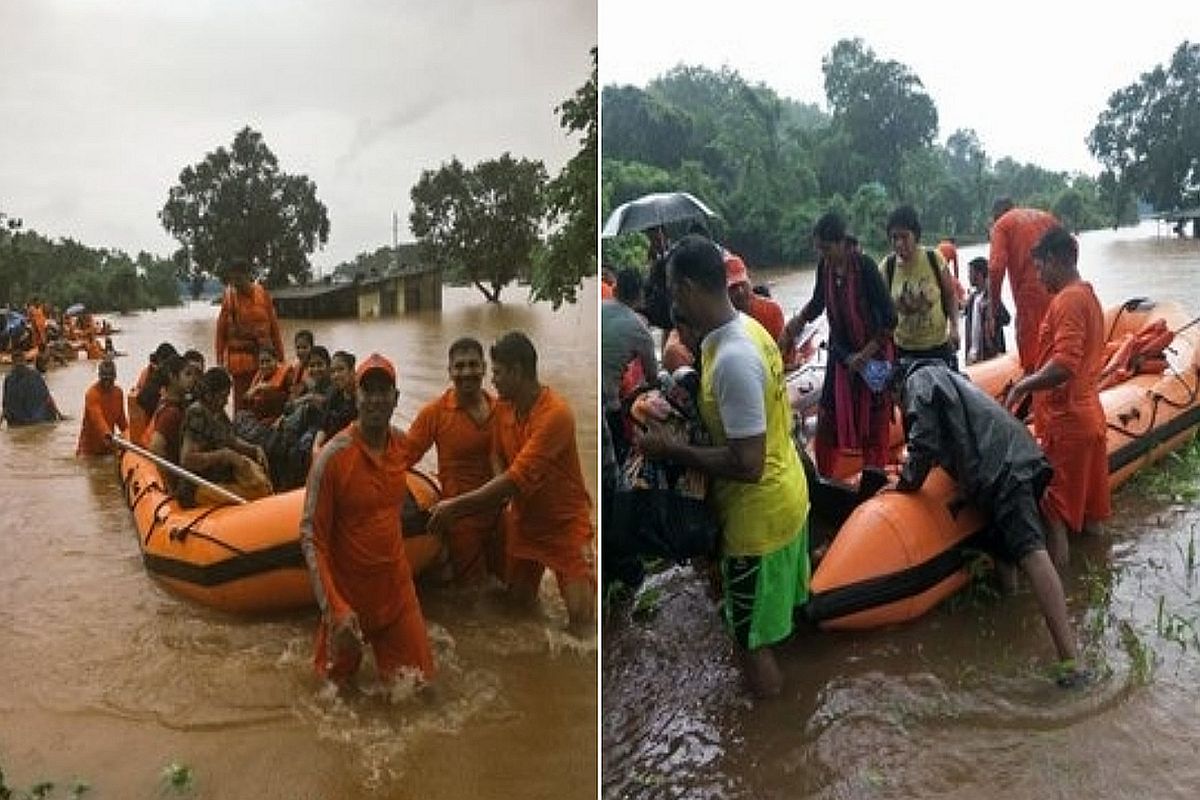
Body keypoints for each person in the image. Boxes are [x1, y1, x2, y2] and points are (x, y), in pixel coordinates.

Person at [638, 235, 810, 698]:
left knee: (749, 642)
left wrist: (671, 450)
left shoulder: (732, 358)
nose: (672, 302)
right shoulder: (747, 331)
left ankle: (776, 747)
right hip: (786, 494)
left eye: (674, 291)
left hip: (758, 520)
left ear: (691, 288)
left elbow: (746, 463)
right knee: (773, 629)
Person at [891, 359, 1087, 687]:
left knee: (1031, 552)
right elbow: (954, 436)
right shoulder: (946, 375)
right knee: (1002, 549)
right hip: (1008, 459)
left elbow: (922, 443)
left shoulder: (918, 382)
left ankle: (1072, 662)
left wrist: (905, 483)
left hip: (1004, 468)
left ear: (896, 389)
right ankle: (1016, 619)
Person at [426, 331, 596, 636]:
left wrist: (457, 507)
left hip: (565, 524)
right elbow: (496, 455)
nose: (493, 381)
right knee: (517, 607)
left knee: (582, 624)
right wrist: (498, 485)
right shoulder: (503, 407)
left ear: (517, 372)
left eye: (498, 373)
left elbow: (515, 479)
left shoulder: (556, 415)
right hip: (525, 520)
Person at [300, 353, 436, 689]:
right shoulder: (332, 458)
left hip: (397, 594)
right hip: (348, 597)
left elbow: (438, 429)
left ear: (396, 398)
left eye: (384, 390)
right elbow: (311, 537)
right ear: (354, 396)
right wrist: (334, 608)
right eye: (368, 390)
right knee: (330, 697)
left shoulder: (402, 447)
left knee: (422, 692)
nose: (376, 399)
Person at [1005, 226, 1110, 570]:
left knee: (1053, 516)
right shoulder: (1089, 297)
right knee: (1093, 518)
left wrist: (1023, 387)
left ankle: (1063, 597)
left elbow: (1064, 364)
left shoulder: (1066, 300)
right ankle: (1097, 588)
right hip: (1090, 419)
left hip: (1066, 426)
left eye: (1039, 267)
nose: (1037, 276)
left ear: (1056, 260)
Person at [780, 211, 897, 476]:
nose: (824, 255)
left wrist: (864, 356)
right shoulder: (826, 268)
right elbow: (818, 302)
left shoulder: (866, 267)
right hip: (841, 354)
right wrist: (793, 326)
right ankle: (824, 477)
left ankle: (873, 478)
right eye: (820, 250)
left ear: (842, 242)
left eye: (827, 248)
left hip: (873, 355)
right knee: (826, 418)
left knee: (873, 423)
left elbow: (891, 319)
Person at [404, 338, 503, 586]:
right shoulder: (434, 413)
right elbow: (402, 458)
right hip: (460, 520)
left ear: (484, 367)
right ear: (449, 371)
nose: (467, 372)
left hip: (501, 515)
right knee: (475, 596)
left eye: (473, 365)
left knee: (510, 589)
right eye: (459, 366)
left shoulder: (502, 409)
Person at [179, 367, 272, 507]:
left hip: (221, 478)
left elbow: (230, 439)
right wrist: (224, 455)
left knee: (262, 484)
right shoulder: (197, 414)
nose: (226, 401)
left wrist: (254, 449)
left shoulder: (217, 411)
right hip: (199, 486)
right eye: (223, 396)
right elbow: (187, 459)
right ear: (209, 395)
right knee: (260, 493)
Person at [987, 198, 1059, 372]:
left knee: (1032, 357)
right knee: (1058, 345)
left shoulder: (1001, 225)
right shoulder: (1047, 217)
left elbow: (996, 268)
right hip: (1059, 292)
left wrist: (993, 309)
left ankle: (1035, 393)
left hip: (1030, 297)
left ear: (997, 215)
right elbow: (1072, 248)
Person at [883, 205, 960, 369]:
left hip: (938, 348)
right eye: (894, 237)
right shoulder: (887, 267)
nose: (899, 243)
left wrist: (954, 327)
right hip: (904, 351)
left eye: (904, 237)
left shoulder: (934, 258)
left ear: (916, 235)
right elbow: (879, 310)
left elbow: (950, 295)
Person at [601, 266, 658, 466]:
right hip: (609, 407)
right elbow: (654, 379)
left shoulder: (600, 307)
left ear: (615, 288)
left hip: (601, 400)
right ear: (640, 295)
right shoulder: (640, 330)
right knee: (619, 465)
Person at [215, 257, 285, 414]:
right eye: (232, 280)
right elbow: (220, 333)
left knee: (265, 403)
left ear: (248, 275)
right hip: (241, 364)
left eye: (238, 279)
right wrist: (220, 362)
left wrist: (281, 358)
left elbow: (274, 328)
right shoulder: (228, 299)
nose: (235, 283)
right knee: (242, 406)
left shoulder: (262, 294)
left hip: (265, 361)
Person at [147, 355, 197, 477]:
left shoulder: (172, 403)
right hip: (181, 477)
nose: (193, 379)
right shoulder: (171, 413)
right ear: (173, 377)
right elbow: (155, 447)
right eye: (187, 374)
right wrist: (171, 479)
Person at [725, 252, 785, 342]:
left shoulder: (771, 310)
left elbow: (784, 350)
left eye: (743, 283)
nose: (740, 291)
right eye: (734, 287)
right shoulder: (720, 321)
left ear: (749, 280)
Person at [963, 256, 1010, 365]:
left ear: (979, 274)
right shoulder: (972, 299)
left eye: (970, 273)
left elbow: (1006, 319)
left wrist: (992, 307)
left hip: (989, 355)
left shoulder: (992, 298)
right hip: (972, 355)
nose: (968, 276)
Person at [76, 358, 128, 455]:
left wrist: (129, 435)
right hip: (89, 451)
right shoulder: (92, 394)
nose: (107, 383)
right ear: (99, 377)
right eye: (104, 378)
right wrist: (108, 434)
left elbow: (121, 420)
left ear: (115, 377)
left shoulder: (118, 393)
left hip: (108, 446)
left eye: (110, 379)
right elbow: (97, 419)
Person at [312, 350, 358, 453]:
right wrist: (316, 447)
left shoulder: (362, 398)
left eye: (341, 369)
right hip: (330, 445)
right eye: (333, 371)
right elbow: (323, 424)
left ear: (352, 371)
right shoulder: (335, 394)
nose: (336, 375)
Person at [2, 348, 62, 426]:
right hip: (37, 419)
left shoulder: (9, 378)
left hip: (17, 421)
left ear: (13, 362)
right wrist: (60, 415)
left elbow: (5, 404)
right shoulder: (35, 375)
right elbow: (48, 397)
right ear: (24, 361)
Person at [243, 345, 293, 424]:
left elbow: (292, 398)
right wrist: (255, 389)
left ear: (276, 360)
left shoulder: (287, 374)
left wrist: (267, 389)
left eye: (268, 361)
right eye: (262, 362)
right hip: (259, 415)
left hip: (279, 416)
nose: (265, 365)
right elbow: (246, 398)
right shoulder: (259, 375)